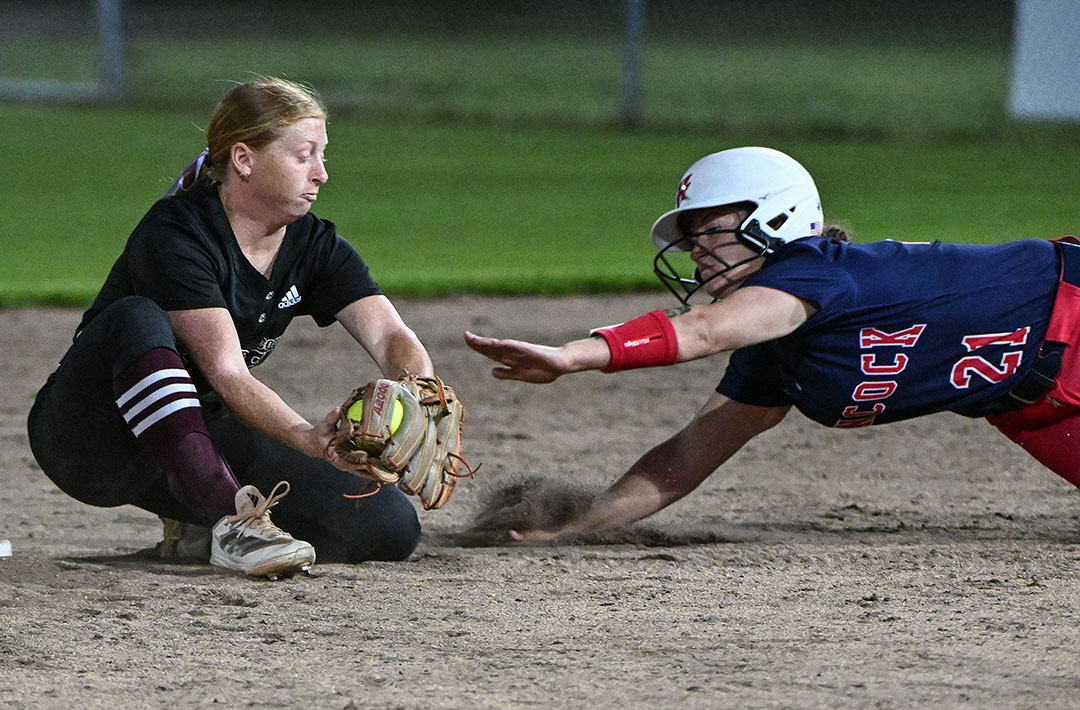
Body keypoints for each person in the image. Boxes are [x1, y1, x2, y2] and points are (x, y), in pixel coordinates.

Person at [465, 145, 1080, 541]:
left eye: (710, 231)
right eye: (690, 240)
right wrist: (576, 525)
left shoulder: (816, 271)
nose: (696, 253)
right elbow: (684, 460)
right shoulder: (776, 354)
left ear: (775, 219)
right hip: (1031, 405)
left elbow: (701, 332)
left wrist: (573, 355)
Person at [28, 76, 431, 576]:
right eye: (303, 155)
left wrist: (420, 390)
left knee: (387, 528)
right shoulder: (176, 233)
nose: (321, 173)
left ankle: (196, 515)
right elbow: (228, 374)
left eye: (322, 155)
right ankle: (232, 522)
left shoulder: (314, 245)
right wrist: (306, 437)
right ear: (244, 160)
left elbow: (392, 336)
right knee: (135, 317)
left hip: (200, 434)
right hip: (94, 438)